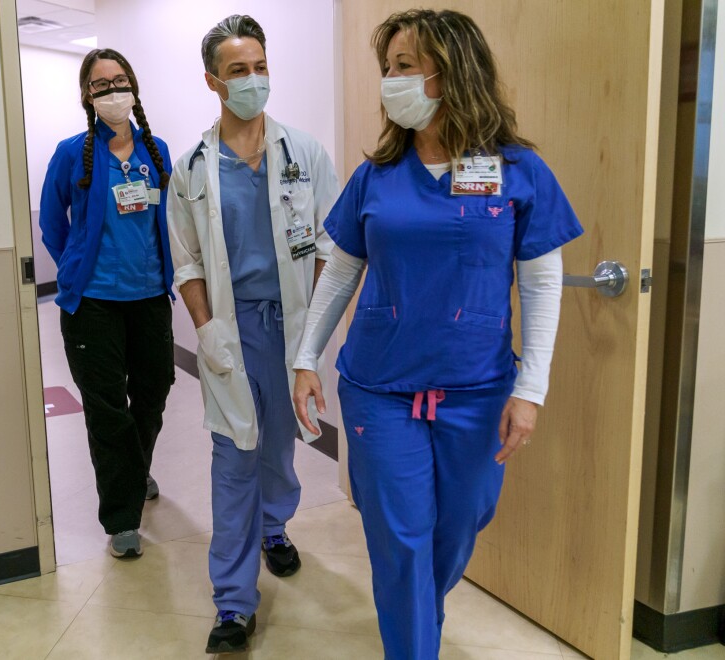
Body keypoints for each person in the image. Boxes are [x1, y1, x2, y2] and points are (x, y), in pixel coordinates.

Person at [292, 9, 584, 659]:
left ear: (451, 72)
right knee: (400, 545)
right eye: (386, 68)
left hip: (478, 391)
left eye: (404, 66)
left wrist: (530, 390)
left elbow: (539, 286)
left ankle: (420, 619)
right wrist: (306, 356)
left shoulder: (517, 170)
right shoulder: (377, 175)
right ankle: (414, 643)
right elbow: (341, 269)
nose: (389, 82)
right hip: (380, 390)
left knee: (459, 529)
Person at [166, 15, 339, 654]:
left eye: (260, 66)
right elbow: (186, 260)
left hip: (290, 329)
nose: (253, 80)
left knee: (280, 449)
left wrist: (313, 339)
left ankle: (275, 527)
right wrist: (206, 331)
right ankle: (234, 603)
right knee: (233, 456)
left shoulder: (306, 153)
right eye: (238, 70)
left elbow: (330, 245)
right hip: (230, 332)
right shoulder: (191, 168)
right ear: (212, 80)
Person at [39, 48, 175, 559]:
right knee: (106, 408)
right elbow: (53, 225)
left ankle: (134, 469)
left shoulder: (155, 151)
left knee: (154, 390)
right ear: (87, 96)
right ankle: (122, 516)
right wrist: (76, 265)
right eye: (101, 85)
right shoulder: (72, 153)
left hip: (148, 298)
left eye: (120, 80)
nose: (113, 90)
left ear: (134, 87)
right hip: (92, 304)